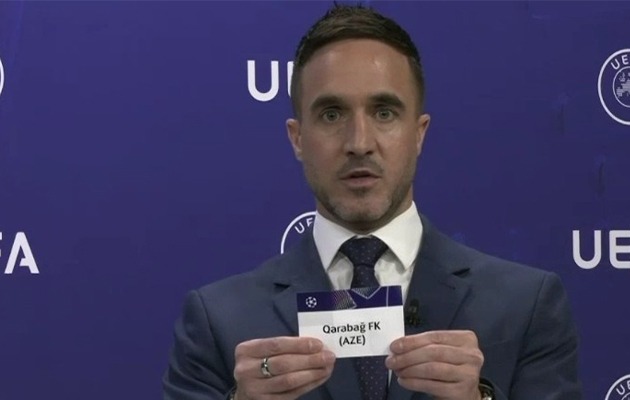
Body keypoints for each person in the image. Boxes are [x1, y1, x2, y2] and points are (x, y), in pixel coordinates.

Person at [163, 5, 582, 400]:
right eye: (331, 114)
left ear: (419, 133)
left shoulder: (526, 305)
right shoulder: (218, 321)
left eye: (384, 112)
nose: (359, 143)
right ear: (297, 138)